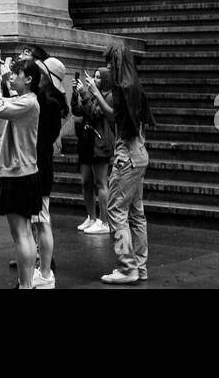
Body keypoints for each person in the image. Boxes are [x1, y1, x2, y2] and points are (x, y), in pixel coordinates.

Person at [78, 44, 155, 284]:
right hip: (140, 153)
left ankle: (126, 266)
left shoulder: (122, 89)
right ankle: (139, 266)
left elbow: (113, 117)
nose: (109, 67)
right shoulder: (136, 87)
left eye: (111, 63)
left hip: (127, 157)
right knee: (136, 214)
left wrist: (95, 93)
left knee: (116, 212)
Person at [0, 43, 42, 289]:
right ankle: (26, 283)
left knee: (21, 235)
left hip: (18, 174)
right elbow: (6, 87)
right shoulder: (28, 100)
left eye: (18, 74)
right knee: (24, 234)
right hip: (25, 173)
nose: (13, 77)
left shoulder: (27, 102)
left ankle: (27, 284)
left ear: (28, 79)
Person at [30, 54, 68, 289]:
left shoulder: (49, 105)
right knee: (37, 221)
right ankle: (40, 268)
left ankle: (45, 273)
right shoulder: (46, 102)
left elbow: (43, 139)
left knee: (42, 221)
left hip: (40, 168)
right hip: (38, 166)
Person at [71, 66, 114, 234]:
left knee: (100, 182)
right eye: (94, 77)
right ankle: (91, 217)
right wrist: (76, 93)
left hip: (100, 142)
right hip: (87, 141)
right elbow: (78, 110)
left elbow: (95, 113)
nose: (95, 80)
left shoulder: (109, 97)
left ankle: (104, 221)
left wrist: (85, 93)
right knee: (86, 182)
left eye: (98, 77)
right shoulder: (93, 95)